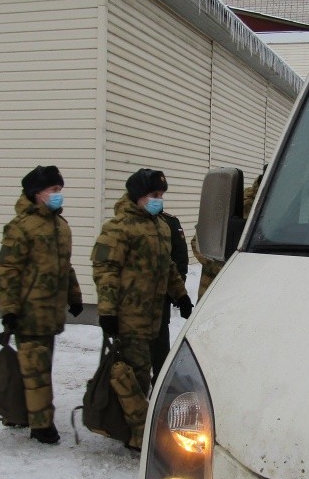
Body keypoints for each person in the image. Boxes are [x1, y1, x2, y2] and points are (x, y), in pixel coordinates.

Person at [91, 168, 192, 450]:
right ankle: (136, 436)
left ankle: (139, 428)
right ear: (137, 197)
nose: (159, 200)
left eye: (161, 195)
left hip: (154, 316)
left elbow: (167, 267)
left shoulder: (160, 226)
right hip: (129, 316)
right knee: (135, 376)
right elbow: (106, 270)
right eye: (153, 195)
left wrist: (181, 297)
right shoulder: (118, 228)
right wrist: (108, 312)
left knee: (149, 373)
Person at [0, 165, 83, 445]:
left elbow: (64, 267)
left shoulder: (60, 226)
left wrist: (74, 295)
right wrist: (9, 309)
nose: (59, 195)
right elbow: (7, 269)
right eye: (53, 190)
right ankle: (41, 424)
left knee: (35, 367)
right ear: (36, 193)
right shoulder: (21, 227)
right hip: (28, 311)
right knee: (37, 369)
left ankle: (18, 414)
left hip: (51, 312)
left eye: (60, 190)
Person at [191, 169, 263, 299]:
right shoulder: (242, 206)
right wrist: (225, 267)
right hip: (217, 291)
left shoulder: (277, 207)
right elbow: (199, 242)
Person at [149, 208, 188, 385]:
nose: (157, 199)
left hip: (160, 297)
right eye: (153, 194)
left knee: (160, 343)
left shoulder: (169, 223)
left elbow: (178, 260)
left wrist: (178, 293)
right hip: (131, 303)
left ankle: (160, 383)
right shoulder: (123, 226)